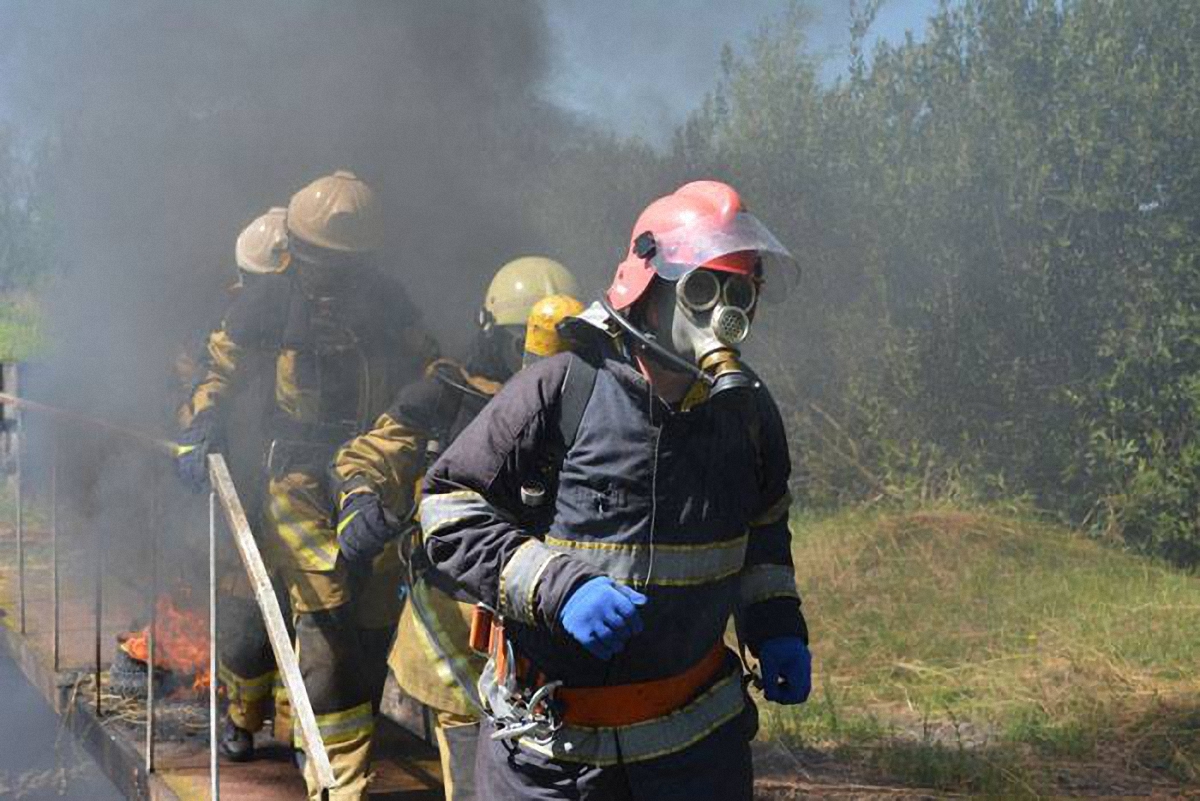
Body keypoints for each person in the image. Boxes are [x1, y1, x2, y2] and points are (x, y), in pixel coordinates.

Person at [417, 180, 812, 800]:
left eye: (740, 292)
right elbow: (448, 510)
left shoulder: (748, 414)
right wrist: (557, 586)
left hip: (698, 755)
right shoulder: (559, 390)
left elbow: (763, 531)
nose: (724, 314)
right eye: (704, 289)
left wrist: (776, 622)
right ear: (648, 291)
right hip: (556, 759)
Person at [176, 171, 436, 799]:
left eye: (341, 265)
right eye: (318, 262)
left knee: (373, 614)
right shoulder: (267, 300)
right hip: (294, 475)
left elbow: (432, 361)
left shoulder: (387, 299)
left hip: (372, 472)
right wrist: (203, 421)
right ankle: (333, 777)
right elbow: (218, 368)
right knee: (326, 612)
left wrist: (423, 402)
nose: (328, 279)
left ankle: (318, 737)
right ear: (297, 249)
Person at [332, 257, 582, 801]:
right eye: (523, 340)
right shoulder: (442, 396)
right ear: (491, 332)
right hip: (455, 615)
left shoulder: (584, 404)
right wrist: (358, 498)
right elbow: (371, 455)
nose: (533, 359)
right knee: (473, 755)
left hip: (549, 611)